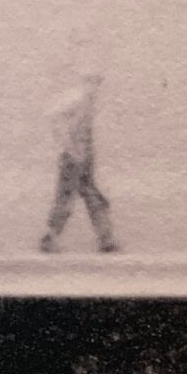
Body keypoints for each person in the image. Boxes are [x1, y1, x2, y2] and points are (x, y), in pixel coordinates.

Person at [39, 73, 119, 253]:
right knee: (67, 198)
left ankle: (106, 240)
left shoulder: (87, 101)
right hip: (74, 158)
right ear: (86, 81)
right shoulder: (77, 99)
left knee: (92, 197)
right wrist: (68, 147)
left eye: (98, 82)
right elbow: (54, 116)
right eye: (93, 82)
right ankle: (49, 239)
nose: (96, 87)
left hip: (83, 158)